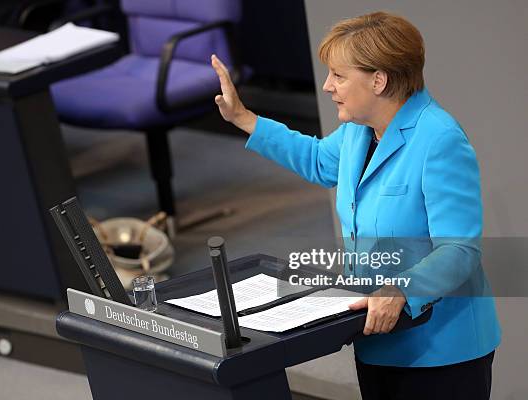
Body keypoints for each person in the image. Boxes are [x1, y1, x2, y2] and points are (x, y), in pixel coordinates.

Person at [211, 11, 500, 400]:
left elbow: (459, 248)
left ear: (378, 80)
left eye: (339, 75)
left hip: (441, 350)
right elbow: (317, 160)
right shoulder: (357, 131)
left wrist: (400, 289)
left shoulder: (439, 140)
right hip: (376, 337)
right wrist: (244, 119)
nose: (328, 86)